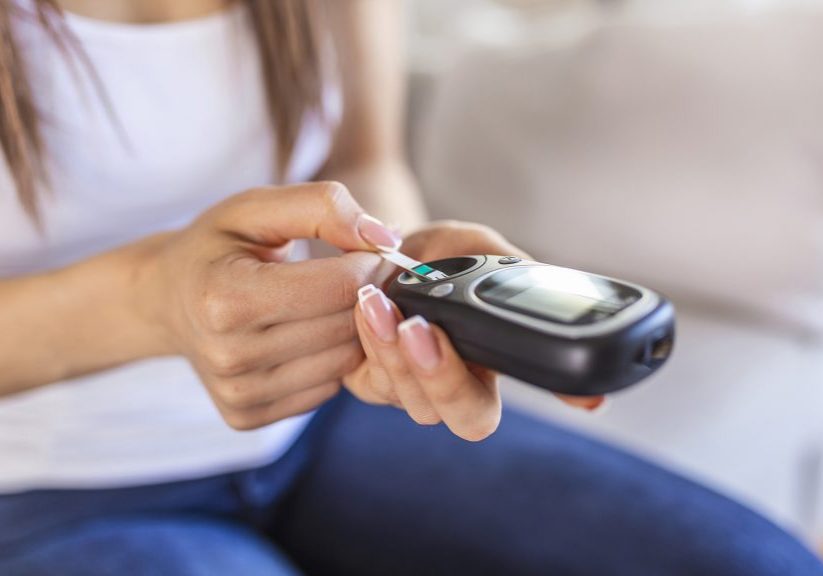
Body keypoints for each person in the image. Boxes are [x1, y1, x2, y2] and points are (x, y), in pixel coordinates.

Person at [0, 1, 820, 574]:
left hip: (316, 424)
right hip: (53, 487)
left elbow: (362, 155)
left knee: (759, 564)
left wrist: (394, 269)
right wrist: (150, 300)